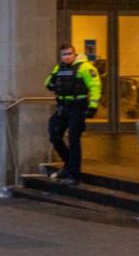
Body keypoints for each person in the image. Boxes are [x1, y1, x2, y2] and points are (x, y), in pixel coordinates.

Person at [44, 43, 102, 186]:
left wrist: (93, 106)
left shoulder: (85, 67)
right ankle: (68, 165)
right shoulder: (59, 68)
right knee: (54, 135)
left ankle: (74, 174)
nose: (67, 56)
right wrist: (50, 83)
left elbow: (95, 86)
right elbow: (48, 82)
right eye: (64, 54)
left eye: (70, 53)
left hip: (78, 107)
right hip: (63, 107)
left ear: (74, 54)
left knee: (74, 139)